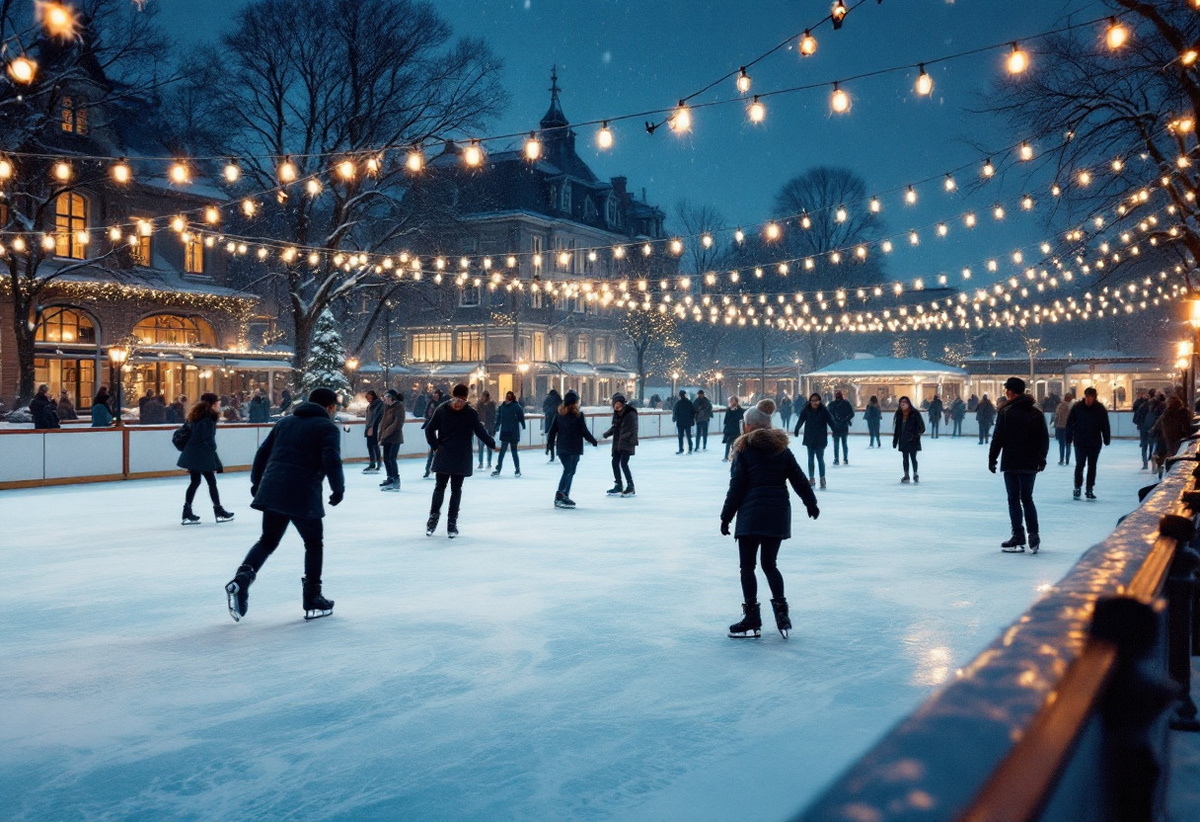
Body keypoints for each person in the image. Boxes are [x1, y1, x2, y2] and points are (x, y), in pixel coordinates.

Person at [224, 387, 344, 622]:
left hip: (273, 489)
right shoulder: (327, 427)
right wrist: (338, 489)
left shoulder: (285, 423)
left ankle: (243, 578)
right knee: (313, 542)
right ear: (330, 407)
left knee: (268, 540)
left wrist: (257, 483)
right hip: (303, 493)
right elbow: (331, 459)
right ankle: (312, 596)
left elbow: (262, 453)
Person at [720, 400, 820, 639]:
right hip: (777, 513)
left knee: (747, 567)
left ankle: (752, 617)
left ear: (750, 426)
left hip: (752, 515)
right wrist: (811, 502)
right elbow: (798, 478)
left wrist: (726, 517)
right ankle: (782, 612)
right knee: (769, 564)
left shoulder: (743, 451)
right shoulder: (781, 449)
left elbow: (737, 488)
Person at [425, 384, 495, 537]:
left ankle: (432, 520)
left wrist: (436, 446)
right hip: (461, 455)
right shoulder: (470, 412)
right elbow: (479, 430)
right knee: (456, 490)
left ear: (453, 393)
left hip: (444, 453)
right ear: (466, 395)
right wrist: (491, 442)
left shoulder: (442, 409)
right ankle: (451, 525)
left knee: (439, 487)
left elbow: (429, 429)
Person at [988, 377, 1049, 554]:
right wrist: (1041, 458)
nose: (1006, 393)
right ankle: (1033, 534)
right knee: (1027, 498)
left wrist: (992, 459)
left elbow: (998, 437)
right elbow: (1043, 439)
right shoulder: (1036, 413)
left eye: (1007, 390)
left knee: (1014, 499)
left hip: (1012, 461)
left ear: (1012, 392)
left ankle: (1018, 535)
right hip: (1030, 462)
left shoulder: (1005, 412)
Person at [177, 392, 235, 525]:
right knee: (211, 482)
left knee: (195, 482)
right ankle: (218, 511)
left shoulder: (196, 416)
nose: (219, 405)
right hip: (201, 454)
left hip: (193, 453)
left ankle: (187, 512)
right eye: (218, 403)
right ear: (213, 404)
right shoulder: (208, 419)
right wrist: (212, 450)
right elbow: (206, 438)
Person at [546, 389, 598, 508]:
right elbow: (553, 430)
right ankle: (560, 495)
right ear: (575, 402)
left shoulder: (576, 415)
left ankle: (565, 495)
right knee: (568, 470)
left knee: (571, 471)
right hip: (567, 448)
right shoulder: (561, 415)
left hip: (572, 448)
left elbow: (583, 431)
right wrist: (549, 445)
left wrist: (592, 440)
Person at [1066, 386, 1111, 500]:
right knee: (1080, 465)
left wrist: (1106, 438)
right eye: (1087, 397)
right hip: (1080, 441)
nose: (1089, 400)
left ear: (1094, 398)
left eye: (1091, 397)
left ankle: (1089, 488)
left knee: (1092, 466)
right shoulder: (1077, 407)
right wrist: (1068, 437)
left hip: (1094, 442)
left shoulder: (1100, 409)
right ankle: (1077, 487)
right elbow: (1070, 423)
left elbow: (1105, 425)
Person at [793, 393, 834, 489]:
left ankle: (822, 478)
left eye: (816, 401)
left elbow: (830, 421)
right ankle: (811, 478)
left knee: (820, 459)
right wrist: (797, 429)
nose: (815, 403)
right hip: (810, 438)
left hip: (820, 438)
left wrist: (835, 429)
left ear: (820, 401)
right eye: (813, 401)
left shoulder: (824, 410)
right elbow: (801, 420)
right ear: (810, 401)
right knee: (810, 459)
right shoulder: (806, 410)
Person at [602, 393, 638, 496]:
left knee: (624, 463)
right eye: (615, 404)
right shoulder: (618, 413)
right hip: (618, 443)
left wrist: (627, 438)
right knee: (614, 462)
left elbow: (632, 428)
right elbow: (615, 427)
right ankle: (618, 484)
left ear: (622, 403)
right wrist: (607, 434)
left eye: (618, 403)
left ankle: (631, 486)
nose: (616, 406)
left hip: (627, 442)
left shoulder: (630, 413)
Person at [1151, 394, 1191, 478]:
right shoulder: (1182, 411)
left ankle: (1162, 467)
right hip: (1178, 437)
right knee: (1176, 456)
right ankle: (1168, 470)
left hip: (1167, 437)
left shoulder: (1167, 412)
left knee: (1169, 454)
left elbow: (1158, 423)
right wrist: (1187, 434)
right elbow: (1186, 426)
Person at [892, 396, 926, 484]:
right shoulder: (899, 414)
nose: (903, 405)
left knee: (913, 457)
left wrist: (915, 435)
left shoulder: (915, 413)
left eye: (904, 403)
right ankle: (906, 475)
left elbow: (922, 428)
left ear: (908, 404)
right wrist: (895, 440)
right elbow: (897, 429)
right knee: (905, 458)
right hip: (903, 439)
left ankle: (915, 473)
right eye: (901, 404)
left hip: (913, 440)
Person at [492, 390, 526, 477]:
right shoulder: (507, 407)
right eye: (507, 397)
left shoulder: (511, 406)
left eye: (508, 397)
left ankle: (515, 469)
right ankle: (502, 469)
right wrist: (496, 426)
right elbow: (499, 418)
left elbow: (520, 417)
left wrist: (522, 424)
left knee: (510, 452)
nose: (507, 399)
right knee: (506, 452)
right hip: (508, 432)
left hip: (511, 432)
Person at [378, 390, 405, 491]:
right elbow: (384, 422)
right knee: (386, 459)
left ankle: (396, 481)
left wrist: (384, 435)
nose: (385, 400)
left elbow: (397, 424)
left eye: (386, 398)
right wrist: (381, 436)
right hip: (386, 437)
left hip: (395, 437)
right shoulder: (388, 407)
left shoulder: (399, 407)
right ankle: (390, 478)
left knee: (392, 458)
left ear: (392, 397)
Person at [827, 390, 855, 465]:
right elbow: (852, 414)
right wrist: (846, 419)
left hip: (835, 426)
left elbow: (828, 415)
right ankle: (845, 459)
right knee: (844, 443)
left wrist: (834, 420)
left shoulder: (831, 404)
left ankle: (836, 459)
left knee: (836, 444)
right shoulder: (846, 404)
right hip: (844, 426)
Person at [421, 389, 444, 479]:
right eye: (435, 394)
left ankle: (437, 468)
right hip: (431, 428)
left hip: (440, 429)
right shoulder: (431, 403)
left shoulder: (442, 404)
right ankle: (428, 469)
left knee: (438, 450)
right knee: (432, 449)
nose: (435, 396)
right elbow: (426, 413)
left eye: (437, 395)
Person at [1135, 390, 1160, 471]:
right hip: (1153, 429)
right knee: (1154, 446)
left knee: (1144, 446)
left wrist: (1140, 424)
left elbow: (1136, 416)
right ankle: (1153, 462)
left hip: (1144, 428)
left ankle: (1145, 463)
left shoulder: (1143, 405)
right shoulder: (1158, 406)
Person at [361, 390, 384, 474]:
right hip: (369, 427)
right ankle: (372, 463)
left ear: (372, 396)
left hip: (375, 428)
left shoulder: (379, 404)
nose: (367, 399)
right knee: (369, 445)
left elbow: (379, 417)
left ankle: (378, 462)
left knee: (375, 445)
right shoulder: (370, 405)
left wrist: (373, 427)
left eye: (369, 397)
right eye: (366, 398)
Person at [476, 390, 497, 470]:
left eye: (484, 396)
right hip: (481, 427)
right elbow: (477, 414)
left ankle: (489, 462)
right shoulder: (479, 405)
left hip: (488, 428)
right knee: (481, 447)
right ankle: (481, 462)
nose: (482, 398)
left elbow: (493, 416)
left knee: (488, 446)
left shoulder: (491, 405)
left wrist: (492, 427)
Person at [721, 396, 746, 461]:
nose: (732, 402)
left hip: (736, 429)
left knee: (734, 444)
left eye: (733, 401)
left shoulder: (740, 411)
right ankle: (727, 457)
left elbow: (741, 420)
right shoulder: (729, 410)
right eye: (731, 401)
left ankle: (733, 457)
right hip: (730, 429)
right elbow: (725, 420)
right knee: (729, 443)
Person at [1053, 393, 1074, 466]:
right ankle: (1067, 459)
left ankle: (1061, 459)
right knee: (1068, 444)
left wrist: (1056, 424)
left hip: (1060, 426)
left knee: (1061, 444)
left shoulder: (1060, 405)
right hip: (1068, 427)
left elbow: (1056, 416)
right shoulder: (1071, 406)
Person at [673, 389, 696, 454]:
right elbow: (693, 412)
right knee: (688, 436)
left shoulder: (678, 403)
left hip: (681, 422)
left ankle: (681, 449)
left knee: (681, 436)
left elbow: (675, 412)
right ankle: (690, 449)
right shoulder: (689, 403)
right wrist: (692, 420)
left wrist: (674, 418)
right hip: (687, 422)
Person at [542, 389, 562, 463]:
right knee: (559, 439)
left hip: (550, 421)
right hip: (558, 421)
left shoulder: (548, 400)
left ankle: (551, 455)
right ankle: (558, 453)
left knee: (551, 439)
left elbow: (544, 408)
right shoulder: (559, 399)